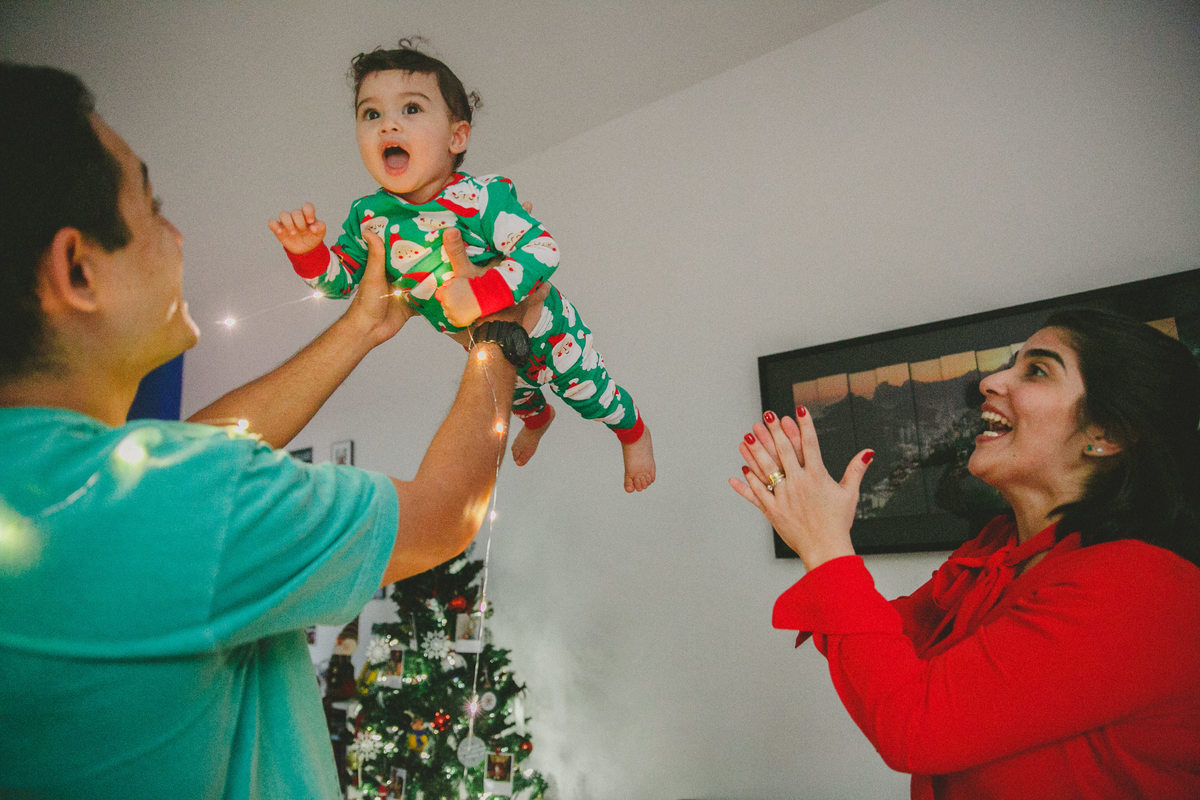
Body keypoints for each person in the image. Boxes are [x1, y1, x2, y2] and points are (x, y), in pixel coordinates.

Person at [0, 62, 547, 798]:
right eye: (153, 208)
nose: (180, 235)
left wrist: (357, 328)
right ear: (77, 270)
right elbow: (444, 517)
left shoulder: (60, 491)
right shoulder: (177, 502)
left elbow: (195, 450)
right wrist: (499, 343)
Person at [730, 308, 1200, 799]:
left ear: (1105, 433)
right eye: (1011, 364)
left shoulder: (1144, 589)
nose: (990, 381)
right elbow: (887, 648)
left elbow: (914, 726)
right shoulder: (1000, 547)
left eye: (1036, 370)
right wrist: (816, 528)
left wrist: (825, 547)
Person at [268, 40, 656, 493]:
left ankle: (633, 432)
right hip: (483, 345)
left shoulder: (482, 197)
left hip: (550, 331)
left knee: (591, 393)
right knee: (514, 396)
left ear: (457, 137)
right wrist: (309, 252)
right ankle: (538, 419)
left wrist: (481, 293)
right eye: (371, 114)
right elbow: (339, 283)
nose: (388, 123)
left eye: (411, 108)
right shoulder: (367, 217)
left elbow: (543, 249)